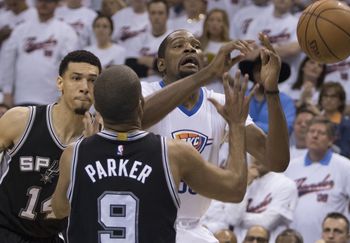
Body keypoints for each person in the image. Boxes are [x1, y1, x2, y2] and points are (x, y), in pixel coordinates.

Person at [52, 65, 252, 242]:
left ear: (99, 109)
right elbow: (234, 189)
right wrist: (236, 125)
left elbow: (60, 209)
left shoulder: (74, 153)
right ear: (141, 104)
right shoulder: (173, 153)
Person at [141, 29, 290, 243]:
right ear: (161, 64)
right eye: (178, 45)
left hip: (193, 227)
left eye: (195, 45)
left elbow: (276, 161)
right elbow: (139, 118)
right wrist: (209, 74)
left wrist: (272, 91)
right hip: (148, 224)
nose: (190, 48)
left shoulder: (221, 103)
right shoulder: (143, 91)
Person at [0, 50, 102, 242]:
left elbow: (89, 208)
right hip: (5, 228)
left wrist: (91, 156)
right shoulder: (22, 119)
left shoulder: (97, 141)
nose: (85, 87)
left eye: (92, 80)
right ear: (60, 83)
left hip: (51, 236)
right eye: (76, 78)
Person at [284, 117, 350, 243]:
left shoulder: (344, 166)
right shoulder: (291, 167)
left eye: (321, 133)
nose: (315, 136)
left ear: (331, 140)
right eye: (311, 131)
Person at [0, 0, 79, 107]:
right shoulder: (20, 30)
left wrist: (64, 94)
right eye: (40, 1)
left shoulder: (66, 31)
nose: (44, 4)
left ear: (56, 4)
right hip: (21, 97)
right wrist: (7, 91)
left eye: (48, 1)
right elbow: (8, 62)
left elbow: (70, 67)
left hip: (52, 99)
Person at [313, 82, 350, 158]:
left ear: (340, 101)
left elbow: (347, 152)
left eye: (333, 97)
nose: (328, 100)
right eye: (325, 96)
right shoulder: (314, 120)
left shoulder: (346, 124)